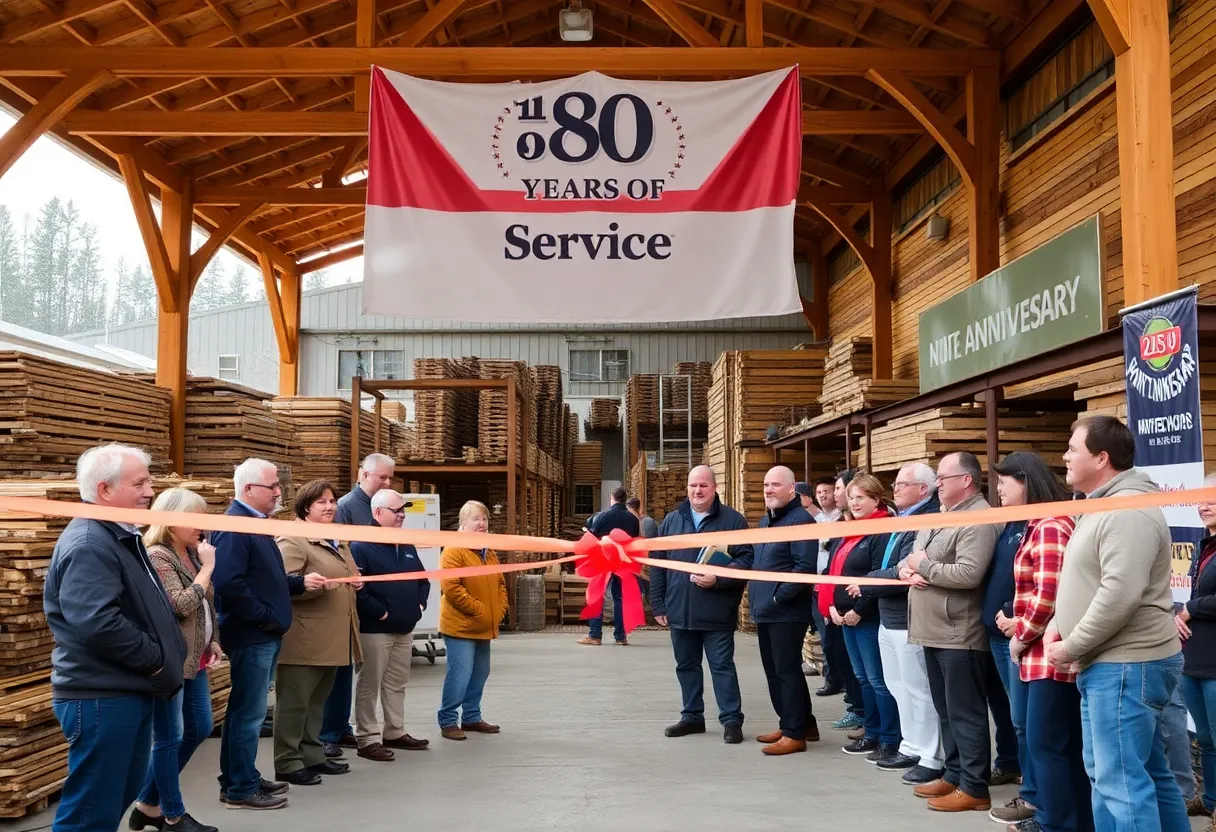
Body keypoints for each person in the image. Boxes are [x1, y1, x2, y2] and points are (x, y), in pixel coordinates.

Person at [1052, 416, 1187, 831]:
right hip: (1116, 665)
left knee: (1120, 782)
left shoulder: (1126, 511)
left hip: (1125, 665)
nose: (1065, 457)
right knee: (1141, 776)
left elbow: (1119, 594)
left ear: (1101, 458)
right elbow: (1091, 579)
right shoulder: (1104, 506)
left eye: (1073, 449)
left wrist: (1071, 645)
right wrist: (1059, 622)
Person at [44, 444, 187, 832]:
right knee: (90, 812)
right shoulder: (91, 543)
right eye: (139, 483)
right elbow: (98, 622)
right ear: (105, 490)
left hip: (125, 690)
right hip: (102, 698)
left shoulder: (118, 536)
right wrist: (156, 660)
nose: (150, 492)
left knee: (112, 800)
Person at [212, 458, 321, 810]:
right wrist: (265, 618)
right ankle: (240, 788)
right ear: (248, 489)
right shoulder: (235, 527)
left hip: (262, 633)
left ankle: (240, 776)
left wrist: (296, 583)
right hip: (252, 635)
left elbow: (263, 577)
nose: (278, 492)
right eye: (272, 486)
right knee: (249, 714)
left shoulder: (255, 524)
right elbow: (229, 583)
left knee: (246, 712)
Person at [899, 451, 1002, 812]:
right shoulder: (944, 515)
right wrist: (907, 569)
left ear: (966, 480)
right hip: (933, 628)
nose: (938, 484)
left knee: (965, 711)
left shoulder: (979, 519)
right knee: (945, 709)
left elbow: (969, 574)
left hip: (959, 631)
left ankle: (974, 786)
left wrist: (924, 567)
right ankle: (954, 773)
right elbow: (913, 554)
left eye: (943, 477)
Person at [995, 452, 1092, 832]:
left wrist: (1022, 635)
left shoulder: (1050, 525)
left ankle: (1056, 824)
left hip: (1048, 656)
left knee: (1048, 745)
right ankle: (1067, 821)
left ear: (1026, 481)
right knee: (1052, 745)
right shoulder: (1040, 523)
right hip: (1043, 653)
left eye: (1004, 482)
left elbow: (1048, 593)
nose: (999, 490)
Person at [129, 488, 222, 832]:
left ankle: (147, 804)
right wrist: (208, 567)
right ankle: (172, 815)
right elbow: (180, 604)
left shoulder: (191, 553)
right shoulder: (159, 556)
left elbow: (207, 602)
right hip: (171, 662)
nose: (201, 524)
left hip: (195, 658)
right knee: (169, 737)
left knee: (199, 728)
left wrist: (214, 639)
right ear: (170, 521)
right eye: (193, 517)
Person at [850, 462, 944, 784]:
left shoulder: (924, 519)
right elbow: (894, 567)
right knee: (897, 685)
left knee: (918, 689)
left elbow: (906, 571)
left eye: (903, 484)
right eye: (896, 484)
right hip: (889, 616)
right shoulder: (903, 518)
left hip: (908, 617)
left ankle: (929, 754)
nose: (896, 489)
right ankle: (910, 744)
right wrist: (885, 575)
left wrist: (871, 579)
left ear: (923, 489)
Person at [648, 465, 752, 744]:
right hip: (680, 611)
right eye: (693, 485)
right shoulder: (671, 521)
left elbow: (746, 560)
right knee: (686, 666)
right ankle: (692, 716)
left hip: (716, 611)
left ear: (714, 488)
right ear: (687, 488)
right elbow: (657, 564)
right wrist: (658, 604)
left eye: (704, 485)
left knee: (722, 667)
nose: (698, 490)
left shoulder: (733, 521)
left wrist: (718, 579)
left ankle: (731, 720)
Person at [273, 480, 363, 785]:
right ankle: (287, 761)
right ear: (306, 506)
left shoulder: (336, 539)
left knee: (316, 703)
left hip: (333, 636)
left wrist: (354, 580)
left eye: (332, 501)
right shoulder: (294, 539)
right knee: (295, 703)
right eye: (322, 502)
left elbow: (344, 573)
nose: (329, 506)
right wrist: (313, 586)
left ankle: (311, 755)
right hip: (305, 638)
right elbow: (282, 585)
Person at [736, 465, 819, 756]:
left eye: (775, 484)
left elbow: (803, 568)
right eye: (766, 485)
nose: (769, 490)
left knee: (785, 671)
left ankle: (795, 734)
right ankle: (800, 724)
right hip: (768, 610)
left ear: (792, 488)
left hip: (786, 611)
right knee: (778, 671)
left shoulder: (801, 521)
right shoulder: (767, 521)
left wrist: (776, 598)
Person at [323, 453, 397, 755]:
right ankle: (329, 733)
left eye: (390, 478)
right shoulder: (346, 508)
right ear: (363, 475)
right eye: (382, 477)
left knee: (348, 668)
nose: (388, 482)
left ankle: (341, 727)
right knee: (339, 669)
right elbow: (339, 554)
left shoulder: (379, 505)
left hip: (370, 599)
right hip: (353, 599)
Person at [352, 489, 431, 760]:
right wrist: (381, 613)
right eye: (396, 510)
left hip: (404, 628)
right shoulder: (361, 545)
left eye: (403, 510)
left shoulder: (405, 544)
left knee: (397, 683)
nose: (402, 515)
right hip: (376, 630)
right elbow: (358, 589)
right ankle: (367, 737)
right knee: (369, 684)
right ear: (377, 513)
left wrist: (419, 606)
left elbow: (423, 579)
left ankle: (395, 731)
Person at [826, 475, 900, 763]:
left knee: (878, 680)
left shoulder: (880, 531)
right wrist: (834, 606)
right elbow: (837, 572)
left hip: (866, 618)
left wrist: (859, 610)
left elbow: (877, 574)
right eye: (852, 497)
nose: (855, 503)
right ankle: (872, 731)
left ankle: (888, 738)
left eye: (861, 498)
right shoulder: (853, 531)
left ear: (876, 500)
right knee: (863, 679)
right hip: (846, 618)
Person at [437, 500, 508, 740]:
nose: (481, 523)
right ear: (463, 523)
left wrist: (499, 609)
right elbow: (452, 587)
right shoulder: (454, 550)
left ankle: (471, 717)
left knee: (479, 674)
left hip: (484, 625)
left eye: (484, 519)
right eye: (476, 519)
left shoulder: (488, 552)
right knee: (460, 675)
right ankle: (448, 720)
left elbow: (500, 584)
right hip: (461, 626)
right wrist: (479, 610)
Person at [1179, 473, 1216, 825]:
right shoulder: (1205, 545)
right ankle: (1210, 800)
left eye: (1212, 500)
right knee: (1204, 738)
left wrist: (1191, 608)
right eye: (1201, 500)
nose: (1203, 506)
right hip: (1194, 659)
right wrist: (1180, 615)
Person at [577, 487, 640, 646]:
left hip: (602, 561)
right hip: (623, 562)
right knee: (620, 598)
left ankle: (595, 635)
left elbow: (591, 537)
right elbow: (634, 540)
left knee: (597, 595)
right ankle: (621, 636)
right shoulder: (633, 519)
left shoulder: (603, 516)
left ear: (612, 498)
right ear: (624, 499)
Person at [810, 477, 844, 694]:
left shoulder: (841, 519)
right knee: (825, 637)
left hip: (833, 586)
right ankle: (832, 677)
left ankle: (836, 679)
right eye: (819, 492)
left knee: (832, 639)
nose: (822, 495)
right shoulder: (816, 519)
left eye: (827, 491)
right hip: (816, 585)